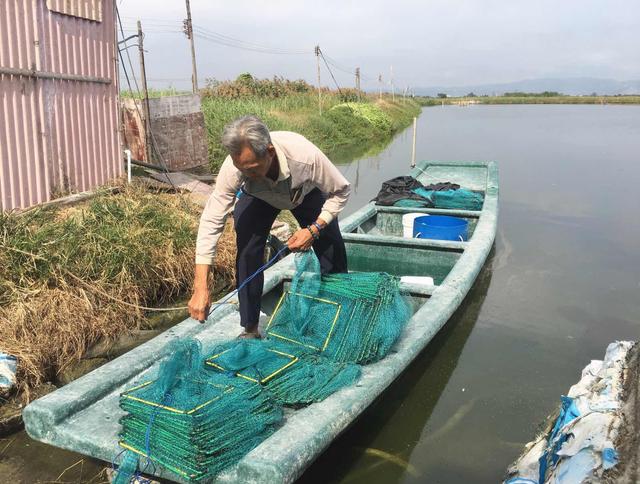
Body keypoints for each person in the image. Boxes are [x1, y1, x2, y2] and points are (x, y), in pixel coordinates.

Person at [188, 115, 351, 338]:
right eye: (242, 169)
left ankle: (337, 317)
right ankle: (250, 328)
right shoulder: (235, 168)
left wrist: (314, 229)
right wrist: (201, 287)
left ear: (270, 152)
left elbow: (341, 191)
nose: (247, 173)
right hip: (259, 197)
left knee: (331, 248)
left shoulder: (305, 157)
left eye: (253, 168)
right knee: (247, 251)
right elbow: (211, 220)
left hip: (304, 193)